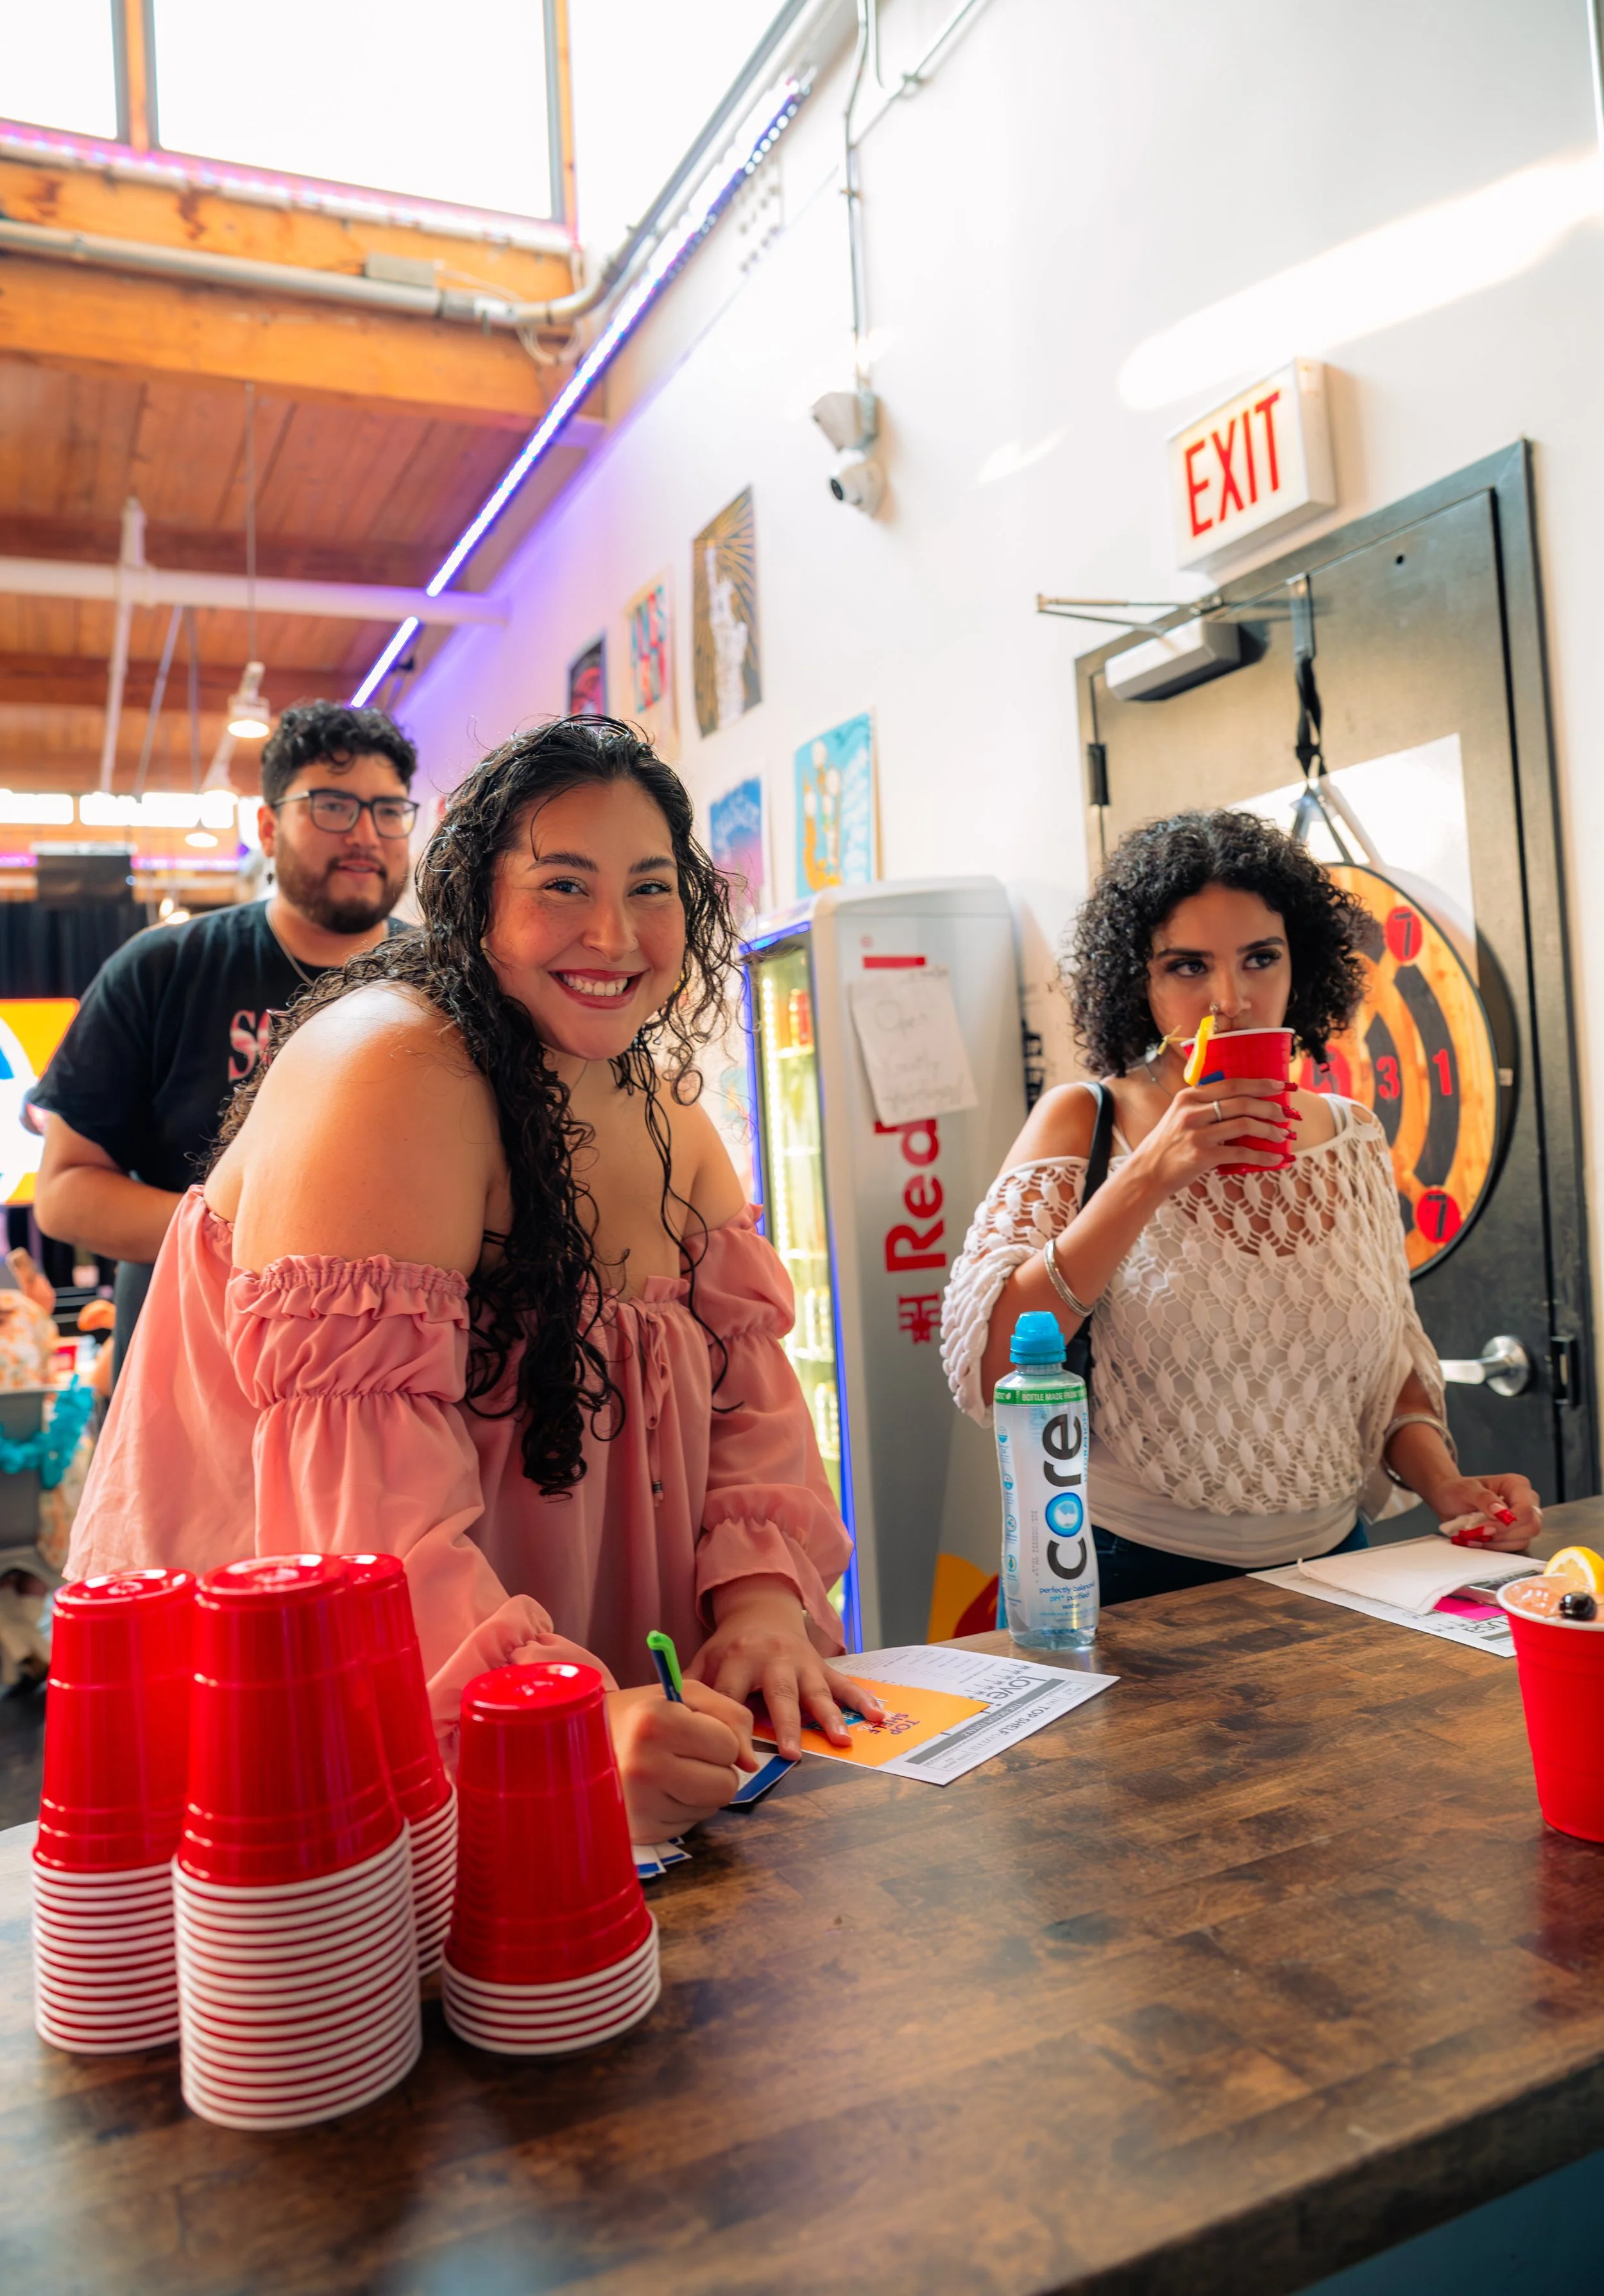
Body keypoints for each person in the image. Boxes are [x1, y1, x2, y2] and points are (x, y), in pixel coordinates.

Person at [67, 717, 873, 1842]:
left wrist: (762, 1602)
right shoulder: (392, 1069)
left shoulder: (659, 1103)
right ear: (473, 902)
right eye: (561, 884)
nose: (613, 932)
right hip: (346, 1729)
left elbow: (752, 1401)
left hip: (617, 1746)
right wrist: (558, 1723)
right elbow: (362, 1535)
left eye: (651, 887)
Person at [941, 809, 1540, 1604]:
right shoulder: (1086, 1121)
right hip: (1138, 1577)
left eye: (1261, 957)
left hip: (1342, 1567)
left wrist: (1446, 1485)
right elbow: (989, 1361)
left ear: (1304, 965)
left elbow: (1385, 1370)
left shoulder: (1352, 1136)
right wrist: (1147, 1175)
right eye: (1187, 967)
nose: (1232, 998)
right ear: (1138, 983)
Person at [31, 702, 420, 1377]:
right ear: (268, 828)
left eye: (388, 810)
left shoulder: (447, 985)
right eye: (332, 806)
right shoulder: (162, 969)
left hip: (381, 1371)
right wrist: (262, 1238)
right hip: (184, 1360)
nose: (366, 834)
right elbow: (65, 1193)